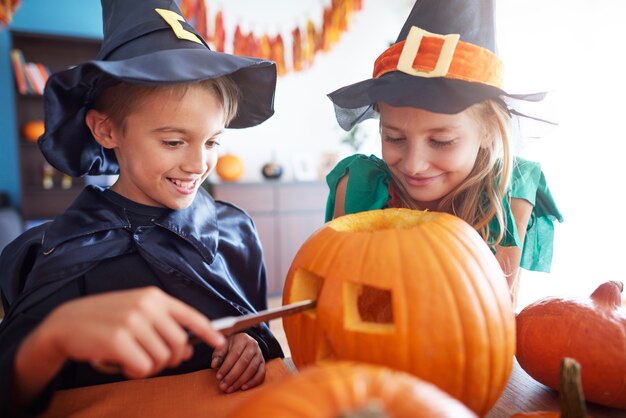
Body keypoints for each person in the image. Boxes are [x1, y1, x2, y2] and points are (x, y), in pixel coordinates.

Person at [0, 0, 284, 415]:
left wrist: (250, 345)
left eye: (212, 141)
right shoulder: (51, 252)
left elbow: (256, 327)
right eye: (173, 141)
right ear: (106, 129)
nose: (198, 163)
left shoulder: (234, 232)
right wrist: (53, 337)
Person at [325, 0, 563, 306]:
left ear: (489, 132)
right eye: (394, 137)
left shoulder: (510, 194)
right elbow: (335, 297)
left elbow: (498, 314)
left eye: (441, 141)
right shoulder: (359, 187)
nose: (414, 164)